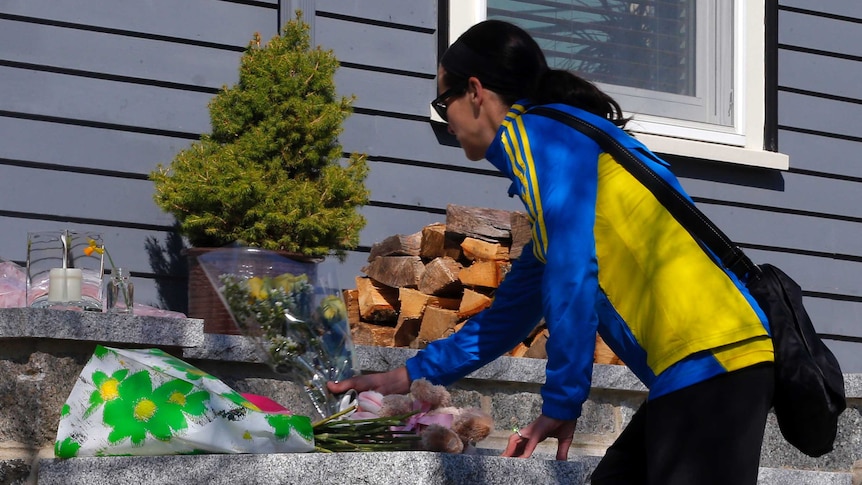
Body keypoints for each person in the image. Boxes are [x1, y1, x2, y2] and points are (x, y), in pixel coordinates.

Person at [328, 20, 774, 485]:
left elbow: (572, 272)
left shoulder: (542, 137)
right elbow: (506, 319)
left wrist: (563, 399)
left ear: (475, 92)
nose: (448, 120)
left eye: (445, 103)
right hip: (706, 369)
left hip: (714, 363)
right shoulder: (558, 154)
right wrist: (403, 379)